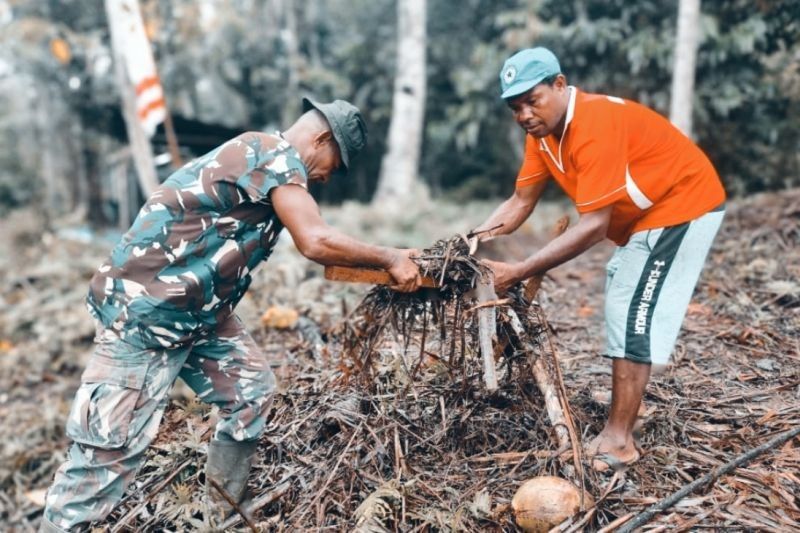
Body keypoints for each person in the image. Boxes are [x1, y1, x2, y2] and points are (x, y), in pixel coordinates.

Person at [40, 98, 422, 532]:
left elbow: (325, 246)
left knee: (251, 393)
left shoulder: (269, 162)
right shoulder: (273, 156)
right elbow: (316, 241)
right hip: (145, 315)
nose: (329, 176)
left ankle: (224, 515)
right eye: (336, 163)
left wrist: (392, 261)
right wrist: (390, 257)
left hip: (198, 316)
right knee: (106, 453)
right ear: (321, 139)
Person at [471, 47, 725, 472]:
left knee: (631, 310)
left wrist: (519, 271)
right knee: (624, 296)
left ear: (559, 84)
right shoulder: (542, 136)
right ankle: (629, 413)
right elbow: (520, 201)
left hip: (682, 205)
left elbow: (593, 226)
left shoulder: (594, 124)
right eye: (515, 108)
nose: (524, 115)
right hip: (649, 216)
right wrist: (468, 244)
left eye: (532, 101)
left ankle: (619, 440)